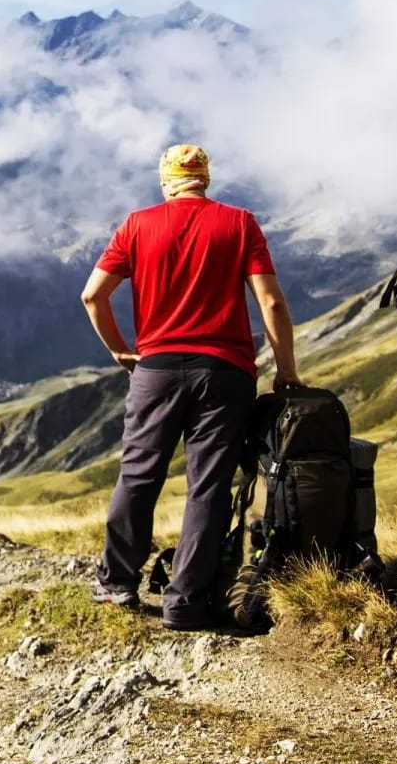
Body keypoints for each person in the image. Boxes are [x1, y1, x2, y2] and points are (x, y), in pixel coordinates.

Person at [79, 143, 299, 631]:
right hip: (225, 373)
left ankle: (116, 582)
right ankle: (185, 602)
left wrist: (120, 349)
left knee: (138, 475)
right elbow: (272, 303)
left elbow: (93, 295)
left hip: (155, 369)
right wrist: (286, 369)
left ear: (166, 181)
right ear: (206, 178)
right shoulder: (239, 223)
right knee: (209, 485)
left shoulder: (137, 225)